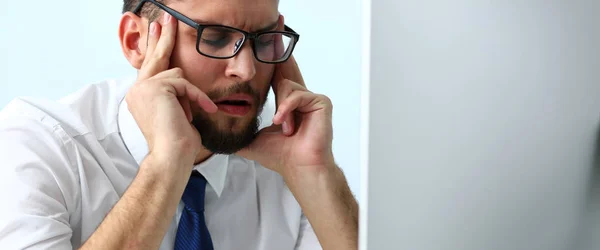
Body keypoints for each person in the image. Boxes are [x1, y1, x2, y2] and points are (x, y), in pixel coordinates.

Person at [0, 0, 358, 249]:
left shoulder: (288, 165)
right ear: (136, 41)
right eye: (216, 38)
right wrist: (168, 164)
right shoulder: (37, 145)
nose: (246, 70)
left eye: (262, 41)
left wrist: (314, 173)